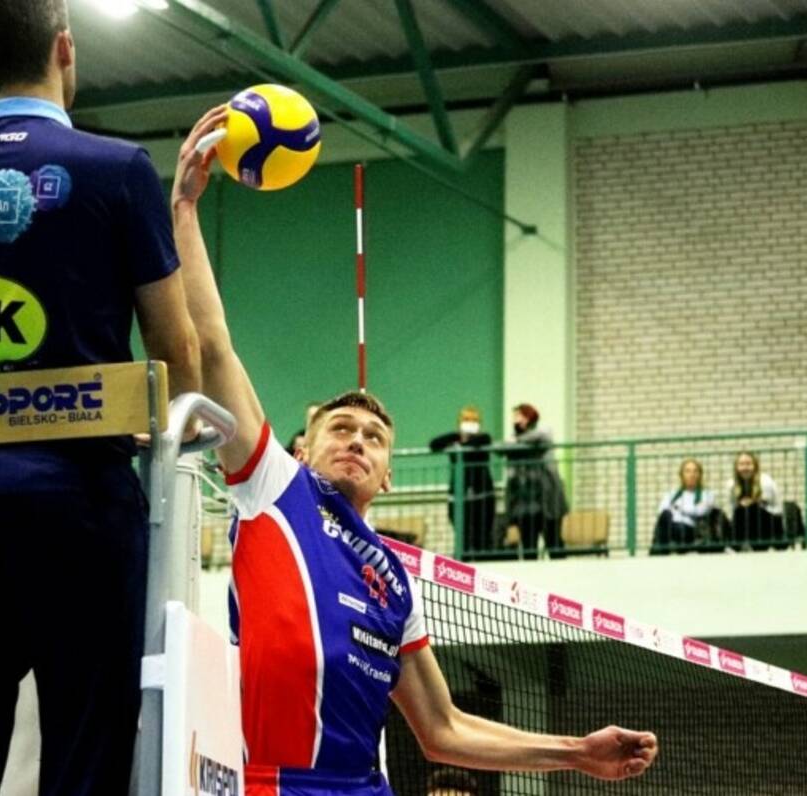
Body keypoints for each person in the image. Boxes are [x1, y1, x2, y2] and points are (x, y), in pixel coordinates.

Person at [172, 107, 657, 796]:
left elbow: (444, 728)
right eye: (340, 429)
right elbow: (213, 346)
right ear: (303, 449)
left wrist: (576, 751)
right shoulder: (275, 489)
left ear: (390, 476)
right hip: (274, 783)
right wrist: (185, 210)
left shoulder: (395, 582)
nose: (357, 441)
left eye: (373, 438)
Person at [0, 1, 201, 792]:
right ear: (66, 48)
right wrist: (171, 428)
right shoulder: (118, 169)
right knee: (85, 756)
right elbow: (177, 347)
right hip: (81, 506)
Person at [503, 404, 568, 560]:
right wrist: (514, 442)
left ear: (528, 417)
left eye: (518, 416)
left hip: (547, 501)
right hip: (525, 505)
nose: (515, 420)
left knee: (554, 543)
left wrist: (515, 441)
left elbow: (540, 437)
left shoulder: (541, 434)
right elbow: (501, 449)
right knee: (529, 548)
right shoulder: (514, 442)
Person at [429, 406, 497, 557]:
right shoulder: (455, 439)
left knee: (482, 537)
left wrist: (460, 445)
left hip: (482, 497)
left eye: (473, 420)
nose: (470, 423)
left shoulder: (483, 438)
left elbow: (477, 442)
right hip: (459, 496)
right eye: (466, 420)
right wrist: (457, 437)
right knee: (462, 536)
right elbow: (434, 444)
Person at [650, 459, 715, 555]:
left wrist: (678, 507)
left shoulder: (707, 494)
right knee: (665, 516)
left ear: (700, 475)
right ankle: (658, 553)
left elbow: (700, 511)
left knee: (672, 527)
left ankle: (656, 552)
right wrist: (685, 508)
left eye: (695, 471)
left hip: (690, 529)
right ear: (681, 475)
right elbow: (662, 510)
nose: (692, 475)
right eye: (687, 471)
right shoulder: (672, 494)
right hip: (671, 526)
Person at [730, 451, 784, 551]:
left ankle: (760, 544)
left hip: (771, 520)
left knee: (752, 509)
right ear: (736, 467)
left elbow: (765, 503)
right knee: (739, 511)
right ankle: (738, 545)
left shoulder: (765, 481)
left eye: (748, 464)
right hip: (748, 521)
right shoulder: (732, 484)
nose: (745, 468)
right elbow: (733, 507)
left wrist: (750, 502)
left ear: (755, 466)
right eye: (741, 464)